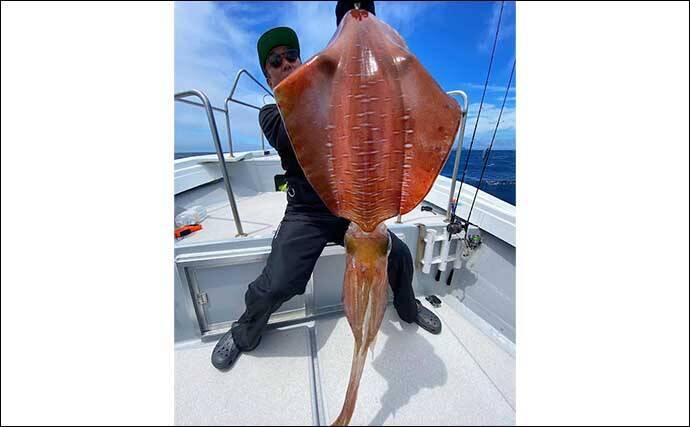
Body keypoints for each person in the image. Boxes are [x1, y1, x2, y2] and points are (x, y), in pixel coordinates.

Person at [212, 0, 441, 371]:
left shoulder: (333, 93)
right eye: (275, 61)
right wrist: (326, 80)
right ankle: (244, 332)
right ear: (268, 76)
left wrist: (354, 21)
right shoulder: (271, 113)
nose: (285, 63)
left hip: (351, 208)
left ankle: (409, 308)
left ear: (301, 59)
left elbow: (369, 93)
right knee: (278, 283)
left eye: (291, 56)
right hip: (308, 213)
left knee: (398, 256)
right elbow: (294, 132)